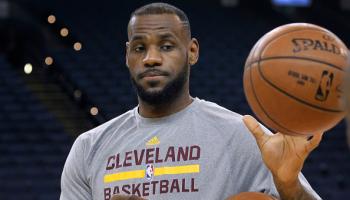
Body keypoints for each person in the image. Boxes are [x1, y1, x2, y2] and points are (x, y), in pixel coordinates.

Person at [60, 3, 322, 200]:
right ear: (127, 55)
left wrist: (290, 189)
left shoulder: (243, 137)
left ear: (192, 51)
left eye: (166, 46)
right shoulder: (88, 148)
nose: (151, 58)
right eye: (139, 48)